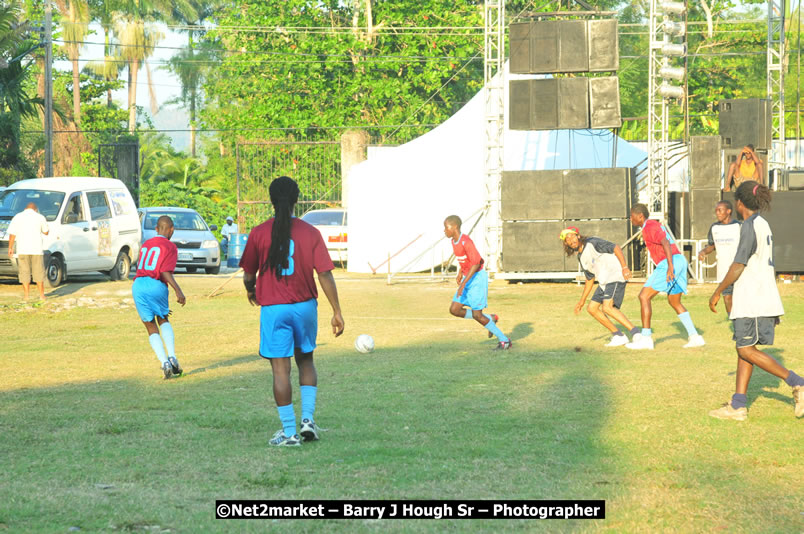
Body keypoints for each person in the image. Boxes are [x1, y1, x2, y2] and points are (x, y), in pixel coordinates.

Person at [240, 176, 345, 447]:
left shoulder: (259, 232)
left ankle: (289, 433)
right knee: (306, 361)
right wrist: (336, 310)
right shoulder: (311, 233)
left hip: (274, 308)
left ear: (272, 200)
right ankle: (307, 420)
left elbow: (249, 274)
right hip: (305, 306)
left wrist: (251, 290)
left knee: (280, 370)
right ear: (296, 199)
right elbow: (324, 274)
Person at [708, 181, 804, 420]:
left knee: (745, 348)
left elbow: (739, 265)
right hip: (760, 296)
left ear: (739, 203)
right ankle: (738, 405)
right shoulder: (763, 223)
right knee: (745, 349)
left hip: (752, 297)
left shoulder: (749, 226)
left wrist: (718, 290)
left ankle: (798, 382)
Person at [626, 204, 705, 350]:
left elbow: (666, 243)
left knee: (644, 297)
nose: (630, 218)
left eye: (632, 215)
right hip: (679, 261)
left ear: (640, 216)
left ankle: (646, 338)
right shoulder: (650, 226)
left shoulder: (650, 226)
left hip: (670, 262)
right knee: (674, 302)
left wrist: (670, 267)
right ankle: (695, 337)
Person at [560, 227, 641, 347]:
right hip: (604, 281)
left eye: (572, 236)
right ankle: (618, 336)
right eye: (567, 239)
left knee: (607, 308)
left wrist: (624, 267)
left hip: (615, 275)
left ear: (578, 236)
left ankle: (636, 334)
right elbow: (589, 278)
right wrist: (581, 301)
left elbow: (615, 247)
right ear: (566, 244)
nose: (571, 240)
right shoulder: (580, 257)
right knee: (592, 308)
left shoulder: (593, 242)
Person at [443, 215, 510, 350]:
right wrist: (460, 272)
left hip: (477, 279)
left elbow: (476, 262)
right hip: (467, 277)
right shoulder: (453, 241)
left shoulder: (466, 241)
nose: (444, 230)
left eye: (446, 227)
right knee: (454, 310)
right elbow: (464, 260)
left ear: (454, 227)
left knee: (477, 315)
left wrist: (463, 283)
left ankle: (505, 340)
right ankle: (490, 318)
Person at [132, 216, 186, 379]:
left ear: (156, 229)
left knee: (150, 326)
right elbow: (164, 271)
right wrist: (178, 290)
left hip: (138, 285)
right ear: (171, 229)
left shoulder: (147, 244)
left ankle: (164, 363)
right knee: (163, 319)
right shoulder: (170, 246)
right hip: (155, 284)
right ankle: (172, 357)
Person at [697, 200, 741, 315]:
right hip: (723, 271)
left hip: (739, 270)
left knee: (743, 299)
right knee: (727, 298)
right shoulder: (714, 227)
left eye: (720, 210)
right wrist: (703, 251)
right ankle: (735, 324)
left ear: (728, 211)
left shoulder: (738, 226)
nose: (717, 213)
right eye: (716, 210)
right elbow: (712, 246)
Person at [7, 202, 49, 301]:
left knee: (24, 272)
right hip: (36, 249)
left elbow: (12, 234)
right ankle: (42, 295)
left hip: (22, 249)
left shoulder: (17, 217)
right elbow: (46, 232)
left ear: (25, 208)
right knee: (38, 272)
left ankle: (26, 296)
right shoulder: (40, 217)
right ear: (35, 209)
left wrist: (10, 248)